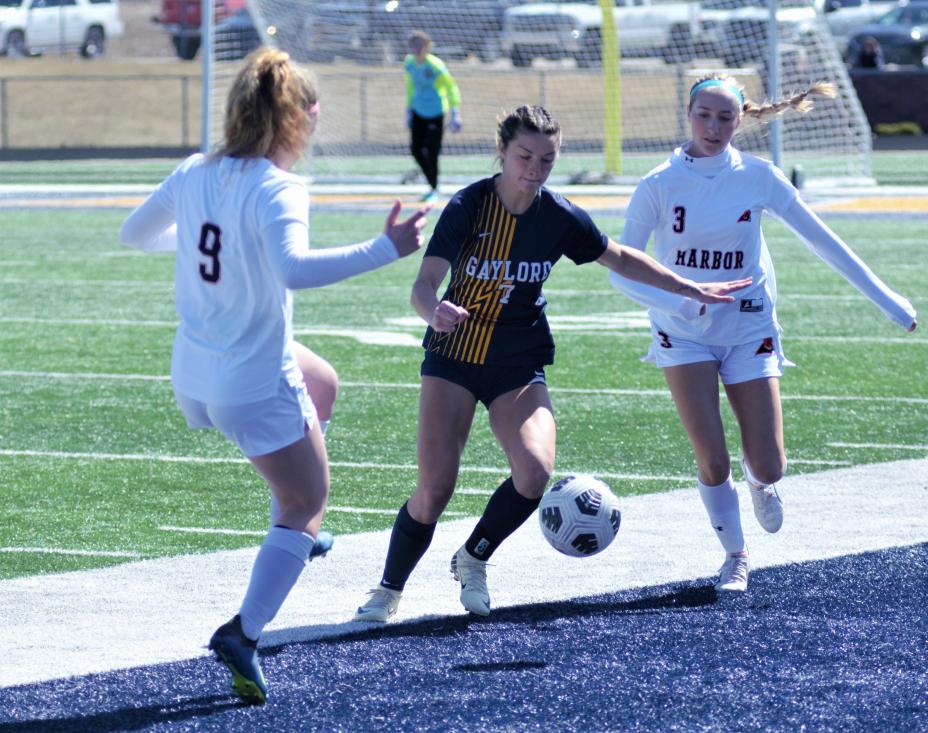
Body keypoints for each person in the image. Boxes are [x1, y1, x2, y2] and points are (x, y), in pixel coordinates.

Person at [353, 104, 753, 623]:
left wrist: (687, 285)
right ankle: (388, 590)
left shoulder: (558, 215)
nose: (534, 169)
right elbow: (423, 284)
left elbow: (620, 256)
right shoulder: (469, 206)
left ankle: (473, 558)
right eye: (524, 156)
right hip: (454, 357)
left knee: (535, 472)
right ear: (501, 152)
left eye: (547, 159)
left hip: (518, 362)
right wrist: (435, 310)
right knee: (434, 489)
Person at [119, 47, 428, 704]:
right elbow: (292, 269)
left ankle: (288, 539)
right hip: (250, 380)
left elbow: (135, 234)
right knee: (307, 504)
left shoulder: (194, 169)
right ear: (302, 117)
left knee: (324, 385)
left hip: (194, 372)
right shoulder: (281, 186)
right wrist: (386, 248)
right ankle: (245, 628)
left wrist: (218, 242)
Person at [608, 74, 917, 594]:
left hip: (749, 326)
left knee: (769, 462)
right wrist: (683, 302)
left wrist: (889, 301)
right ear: (688, 114)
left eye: (725, 117)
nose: (713, 126)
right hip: (683, 333)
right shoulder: (658, 184)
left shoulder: (760, 177)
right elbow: (622, 270)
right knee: (712, 457)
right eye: (704, 114)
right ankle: (735, 556)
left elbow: (826, 241)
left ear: (740, 119)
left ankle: (760, 484)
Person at [404, 30, 462, 204]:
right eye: (414, 45)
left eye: (421, 44)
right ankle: (431, 180)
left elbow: (451, 87)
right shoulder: (409, 64)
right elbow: (410, 87)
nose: (417, 48)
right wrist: (408, 110)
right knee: (415, 150)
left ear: (428, 46)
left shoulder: (436, 65)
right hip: (417, 111)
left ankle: (434, 187)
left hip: (436, 112)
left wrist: (455, 112)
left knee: (432, 151)